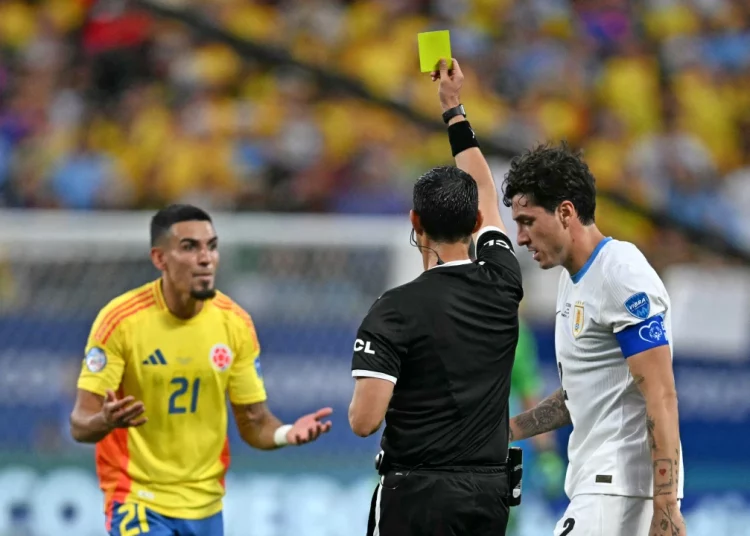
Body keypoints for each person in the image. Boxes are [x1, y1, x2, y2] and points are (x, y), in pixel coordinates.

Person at [69, 204, 333, 536]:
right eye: (189, 247)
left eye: (211, 246)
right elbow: (80, 423)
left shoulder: (234, 323)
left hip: (206, 506)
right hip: (137, 498)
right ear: (159, 259)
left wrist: (286, 433)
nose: (205, 258)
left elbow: (254, 423)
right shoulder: (120, 321)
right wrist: (103, 421)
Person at [348, 58, 522, 535]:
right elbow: (486, 190)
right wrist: (453, 109)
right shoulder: (504, 281)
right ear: (474, 225)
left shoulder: (394, 311)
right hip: (488, 494)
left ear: (414, 222)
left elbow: (364, 421)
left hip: (416, 492)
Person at [503, 144, 686, 536]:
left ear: (566, 212)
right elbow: (581, 395)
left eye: (527, 221)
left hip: (620, 494)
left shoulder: (620, 272)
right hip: (598, 488)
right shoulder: (573, 279)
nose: (520, 237)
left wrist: (666, 504)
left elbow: (661, 392)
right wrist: (505, 430)